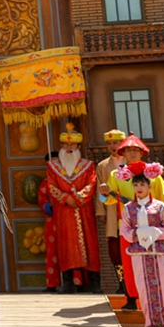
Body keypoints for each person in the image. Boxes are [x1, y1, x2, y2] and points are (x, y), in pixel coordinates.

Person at [102, 133, 164, 311]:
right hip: (129, 226)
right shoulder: (117, 174)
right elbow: (109, 199)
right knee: (129, 264)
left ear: (142, 152)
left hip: (152, 224)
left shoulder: (153, 174)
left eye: (136, 150)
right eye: (128, 150)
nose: (132, 153)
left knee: (155, 261)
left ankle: (157, 299)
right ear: (123, 153)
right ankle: (131, 298)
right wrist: (104, 192)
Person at [116, 161, 164, 327]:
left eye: (142, 184)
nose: (139, 188)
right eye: (136, 185)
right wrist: (138, 234)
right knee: (145, 289)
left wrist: (154, 232)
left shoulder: (160, 206)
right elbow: (125, 230)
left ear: (150, 186)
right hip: (140, 254)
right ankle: (151, 325)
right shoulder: (128, 208)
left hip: (160, 253)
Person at [47, 125, 100, 293]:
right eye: (65, 145)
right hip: (64, 211)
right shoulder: (53, 167)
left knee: (89, 243)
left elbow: (91, 184)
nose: (68, 148)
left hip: (83, 209)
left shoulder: (88, 166)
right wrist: (65, 198)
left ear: (78, 146)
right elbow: (51, 186)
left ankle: (95, 283)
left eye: (72, 145)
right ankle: (68, 282)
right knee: (66, 244)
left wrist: (77, 198)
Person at [96, 130, 127, 294]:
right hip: (112, 210)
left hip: (128, 209)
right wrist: (101, 211)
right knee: (115, 249)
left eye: (115, 142)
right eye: (109, 143)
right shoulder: (103, 166)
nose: (112, 146)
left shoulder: (131, 161)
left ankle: (132, 282)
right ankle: (121, 282)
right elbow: (99, 189)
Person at [39, 151, 62, 292]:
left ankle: (76, 282)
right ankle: (52, 284)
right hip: (52, 221)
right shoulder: (45, 183)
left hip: (67, 218)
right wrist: (49, 206)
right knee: (52, 252)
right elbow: (42, 201)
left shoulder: (66, 180)